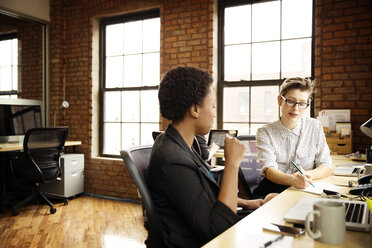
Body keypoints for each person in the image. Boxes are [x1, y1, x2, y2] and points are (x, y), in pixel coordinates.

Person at [147, 67, 265, 247]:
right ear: (194, 109)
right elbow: (218, 230)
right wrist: (232, 164)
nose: (214, 113)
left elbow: (201, 196)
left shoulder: (181, 142)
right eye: (212, 106)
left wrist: (247, 203)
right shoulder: (173, 159)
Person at [253, 77, 332, 198]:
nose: (296, 108)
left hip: (303, 189)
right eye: (291, 101)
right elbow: (269, 170)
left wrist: (306, 175)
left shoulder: (314, 126)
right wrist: (292, 179)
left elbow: (326, 165)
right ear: (280, 100)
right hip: (272, 190)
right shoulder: (265, 132)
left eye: (302, 103)